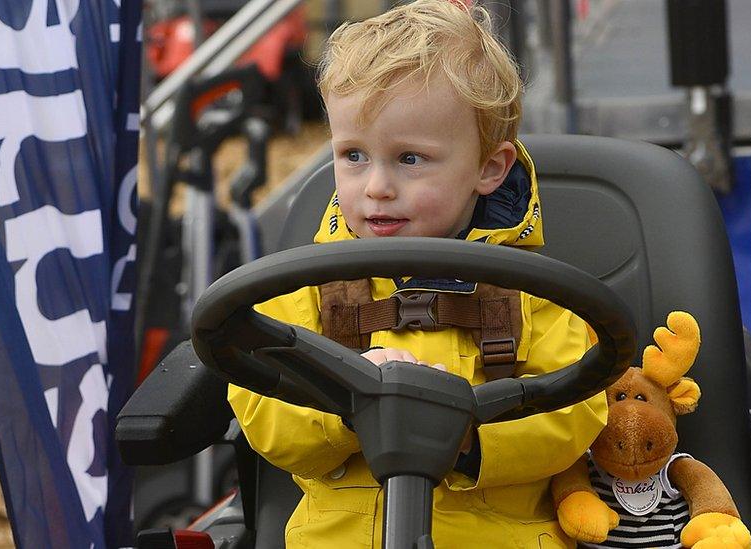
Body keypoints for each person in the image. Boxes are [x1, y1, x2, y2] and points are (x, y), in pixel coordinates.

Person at [227, 1, 606, 547]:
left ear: (488, 168)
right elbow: (262, 406)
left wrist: (461, 434)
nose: (376, 186)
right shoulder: (304, 288)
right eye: (353, 155)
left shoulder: (531, 291)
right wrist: (347, 403)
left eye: (409, 159)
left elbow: (576, 409)